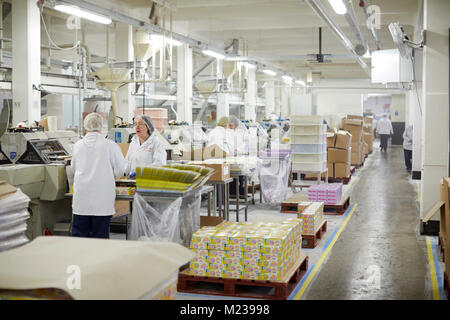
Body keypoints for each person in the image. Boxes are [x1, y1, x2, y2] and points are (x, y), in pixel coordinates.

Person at [71, 113, 125, 239]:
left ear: (85, 126)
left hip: (81, 200)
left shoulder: (77, 145)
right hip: (102, 200)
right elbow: (121, 170)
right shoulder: (110, 145)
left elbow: (73, 168)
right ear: (101, 126)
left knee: (79, 239)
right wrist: (110, 176)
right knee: (100, 240)